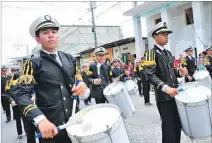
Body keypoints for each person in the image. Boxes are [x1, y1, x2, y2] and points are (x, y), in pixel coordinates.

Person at [10, 15, 89, 143]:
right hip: (50, 127)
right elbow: (21, 94)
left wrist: (82, 85)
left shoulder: (70, 58)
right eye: (45, 33)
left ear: (58, 36)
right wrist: (40, 119)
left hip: (75, 123)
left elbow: (78, 80)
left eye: (54, 32)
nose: (51, 35)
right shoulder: (33, 63)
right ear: (38, 39)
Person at [145, 22, 189, 143]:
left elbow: (171, 73)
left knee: (177, 127)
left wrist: (181, 73)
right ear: (155, 36)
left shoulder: (168, 53)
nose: (167, 36)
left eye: (167, 34)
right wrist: (165, 87)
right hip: (164, 98)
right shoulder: (151, 53)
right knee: (169, 129)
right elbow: (149, 74)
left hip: (175, 95)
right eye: (163, 34)